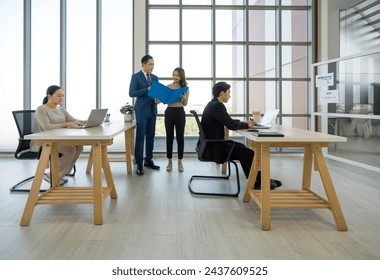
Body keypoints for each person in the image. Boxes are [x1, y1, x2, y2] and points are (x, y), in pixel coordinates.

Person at [201, 81, 282, 189]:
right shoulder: (217, 106)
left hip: (211, 145)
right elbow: (231, 125)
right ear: (222, 94)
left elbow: (226, 120)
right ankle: (257, 182)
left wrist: (244, 123)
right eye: (228, 93)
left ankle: (257, 180)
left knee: (244, 149)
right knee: (249, 154)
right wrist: (246, 125)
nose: (229, 95)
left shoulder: (212, 104)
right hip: (216, 148)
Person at [32, 85, 85, 185]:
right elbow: (47, 127)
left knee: (79, 146)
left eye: (63, 96)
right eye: (59, 95)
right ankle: (51, 175)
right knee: (70, 149)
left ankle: (60, 174)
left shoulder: (61, 110)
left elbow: (72, 120)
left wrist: (82, 121)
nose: (61, 98)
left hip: (57, 139)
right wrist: (67, 124)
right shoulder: (41, 109)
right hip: (44, 141)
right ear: (50, 96)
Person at [129, 54, 160, 176]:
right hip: (142, 111)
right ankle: (139, 164)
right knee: (140, 137)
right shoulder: (136, 77)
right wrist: (147, 89)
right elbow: (132, 93)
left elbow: (157, 94)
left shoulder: (155, 77)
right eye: (150, 64)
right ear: (143, 64)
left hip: (153, 110)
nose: (152, 66)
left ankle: (148, 160)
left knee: (151, 136)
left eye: (153, 64)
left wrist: (158, 99)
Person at [165, 67, 190, 172]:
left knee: (180, 138)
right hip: (169, 112)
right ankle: (169, 161)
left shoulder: (185, 88)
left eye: (177, 75)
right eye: (174, 75)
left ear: (181, 76)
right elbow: (164, 100)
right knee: (169, 137)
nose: (175, 77)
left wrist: (184, 99)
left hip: (180, 112)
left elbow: (185, 103)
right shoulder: (168, 87)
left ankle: (180, 162)